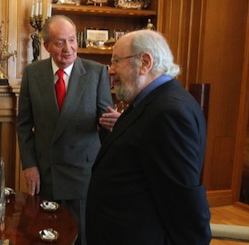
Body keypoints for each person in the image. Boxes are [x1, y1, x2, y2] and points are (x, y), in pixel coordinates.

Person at [86, 30, 212, 244]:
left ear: (145, 62)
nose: (111, 71)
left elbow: (184, 204)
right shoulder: (148, 102)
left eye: (116, 61)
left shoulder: (169, 113)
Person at [16, 15, 119, 245]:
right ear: (47, 46)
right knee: (46, 234)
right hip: (45, 173)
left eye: (72, 40)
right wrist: (29, 164)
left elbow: (105, 122)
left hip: (82, 173)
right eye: (60, 42)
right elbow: (23, 124)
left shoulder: (96, 73)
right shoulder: (33, 73)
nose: (69, 48)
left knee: (80, 237)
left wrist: (115, 123)